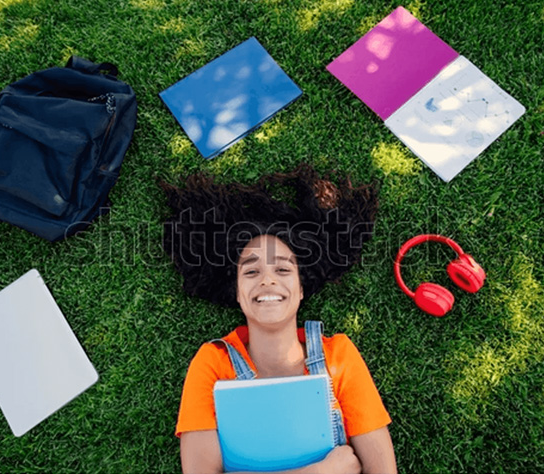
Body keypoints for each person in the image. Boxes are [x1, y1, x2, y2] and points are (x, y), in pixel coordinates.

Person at [162, 165, 397, 474]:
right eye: (251, 271)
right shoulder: (213, 363)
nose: (268, 280)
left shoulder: (338, 355)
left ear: (302, 288)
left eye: (284, 270)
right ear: (236, 291)